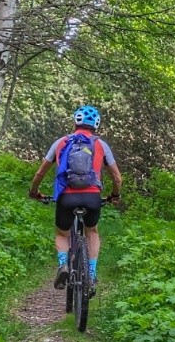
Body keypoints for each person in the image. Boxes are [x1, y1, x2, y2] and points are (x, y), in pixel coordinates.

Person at [28, 106, 122, 290]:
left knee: (62, 234)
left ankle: (63, 264)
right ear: (96, 125)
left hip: (66, 198)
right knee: (92, 232)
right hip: (92, 198)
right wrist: (114, 195)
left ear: (75, 122)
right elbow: (117, 178)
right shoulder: (101, 145)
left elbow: (40, 173)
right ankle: (92, 274)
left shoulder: (61, 143)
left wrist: (34, 192)